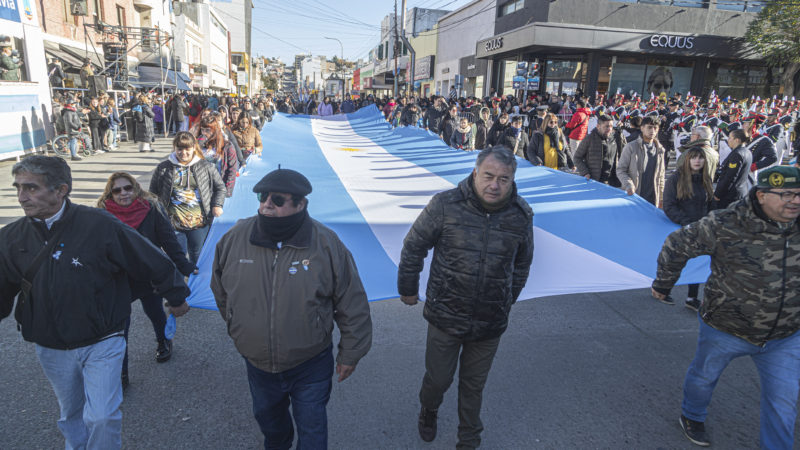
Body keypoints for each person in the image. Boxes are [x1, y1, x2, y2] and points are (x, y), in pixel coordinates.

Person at [0, 156, 190, 449]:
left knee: (101, 416)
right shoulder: (10, 238)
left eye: (31, 188)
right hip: (50, 345)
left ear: (61, 190)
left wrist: (176, 294)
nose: (22, 196)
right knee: (72, 413)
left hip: (102, 339)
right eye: (19, 188)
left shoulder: (100, 224)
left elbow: (150, 259)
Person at [211, 168, 372, 449]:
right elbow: (221, 289)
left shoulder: (327, 243)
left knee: (312, 434)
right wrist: (240, 327)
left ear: (301, 204)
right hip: (258, 364)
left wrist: (351, 353)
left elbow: (351, 301)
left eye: (277, 199)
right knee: (272, 430)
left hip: (310, 363)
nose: (266, 205)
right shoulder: (236, 238)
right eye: (262, 197)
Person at [651, 165, 800, 449]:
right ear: (761, 196)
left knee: (783, 406)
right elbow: (676, 245)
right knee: (703, 378)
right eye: (787, 194)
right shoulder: (725, 224)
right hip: (726, 328)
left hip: (785, 335)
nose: (796, 201)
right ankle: (692, 415)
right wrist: (663, 285)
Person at [398, 146, 534, 449]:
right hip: (446, 315)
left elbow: (522, 264)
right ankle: (429, 409)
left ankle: (469, 439)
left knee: (474, 386)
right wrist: (408, 288)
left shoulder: (521, 215)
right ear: (475, 172)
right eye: (488, 176)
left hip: (489, 322)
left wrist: (506, 300)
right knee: (438, 379)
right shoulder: (445, 205)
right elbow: (414, 247)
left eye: (503, 179)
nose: (495, 185)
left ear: (512, 180)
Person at [96, 172, 196, 387]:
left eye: (128, 188)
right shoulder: (102, 215)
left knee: (155, 311)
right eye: (117, 190)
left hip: (148, 275)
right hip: (119, 279)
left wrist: (185, 266)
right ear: (110, 193)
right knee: (120, 327)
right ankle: (120, 373)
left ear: (135, 188)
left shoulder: (150, 208)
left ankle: (163, 341)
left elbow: (169, 241)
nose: (123, 193)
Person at [149, 132, 226, 265]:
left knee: (197, 254)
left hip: (200, 222)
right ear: (174, 148)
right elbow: (152, 193)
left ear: (194, 148)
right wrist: (157, 213)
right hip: (173, 223)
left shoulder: (206, 166)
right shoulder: (163, 168)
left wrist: (217, 205)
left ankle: (194, 282)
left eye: (187, 149)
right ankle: (178, 283)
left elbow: (220, 187)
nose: (183, 152)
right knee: (177, 256)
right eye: (179, 148)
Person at [661, 146, 713, 311]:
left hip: (701, 227)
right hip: (681, 227)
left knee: (698, 262)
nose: (697, 161)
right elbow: (669, 206)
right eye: (694, 157)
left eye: (700, 158)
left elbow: (711, 203)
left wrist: (711, 221)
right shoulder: (675, 179)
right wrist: (686, 222)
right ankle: (662, 290)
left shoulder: (706, 179)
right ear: (687, 159)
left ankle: (692, 298)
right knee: (675, 262)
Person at [616, 116, 666, 206]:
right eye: (649, 127)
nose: (653, 130)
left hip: (653, 199)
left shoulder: (660, 149)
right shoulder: (631, 147)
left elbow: (661, 175)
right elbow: (620, 169)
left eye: (655, 128)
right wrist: (628, 184)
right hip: (634, 196)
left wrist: (661, 197)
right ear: (642, 128)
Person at [197, 115, 239, 196]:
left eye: (208, 130)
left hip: (218, 187)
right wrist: (197, 146)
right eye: (202, 130)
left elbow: (232, 169)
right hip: (201, 187)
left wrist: (228, 190)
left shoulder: (227, 146)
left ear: (215, 130)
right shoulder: (199, 144)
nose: (204, 133)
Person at [714, 129, 753, 209]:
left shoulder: (737, 154)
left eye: (730, 138)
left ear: (737, 140)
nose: (728, 140)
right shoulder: (747, 151)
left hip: (730, 195)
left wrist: (718, 194)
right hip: (741, 191)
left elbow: (730, 177)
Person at [60, 97, 84, 161]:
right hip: (71, 130)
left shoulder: (72, 110)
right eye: (73, 103)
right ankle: (73, 155)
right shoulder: (68, 112)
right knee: (73, 142)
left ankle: (74, 154)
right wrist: (76, 127)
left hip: (74, 129)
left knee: (73, 142)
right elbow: (69, 122)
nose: (75, 105)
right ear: (70, 104)